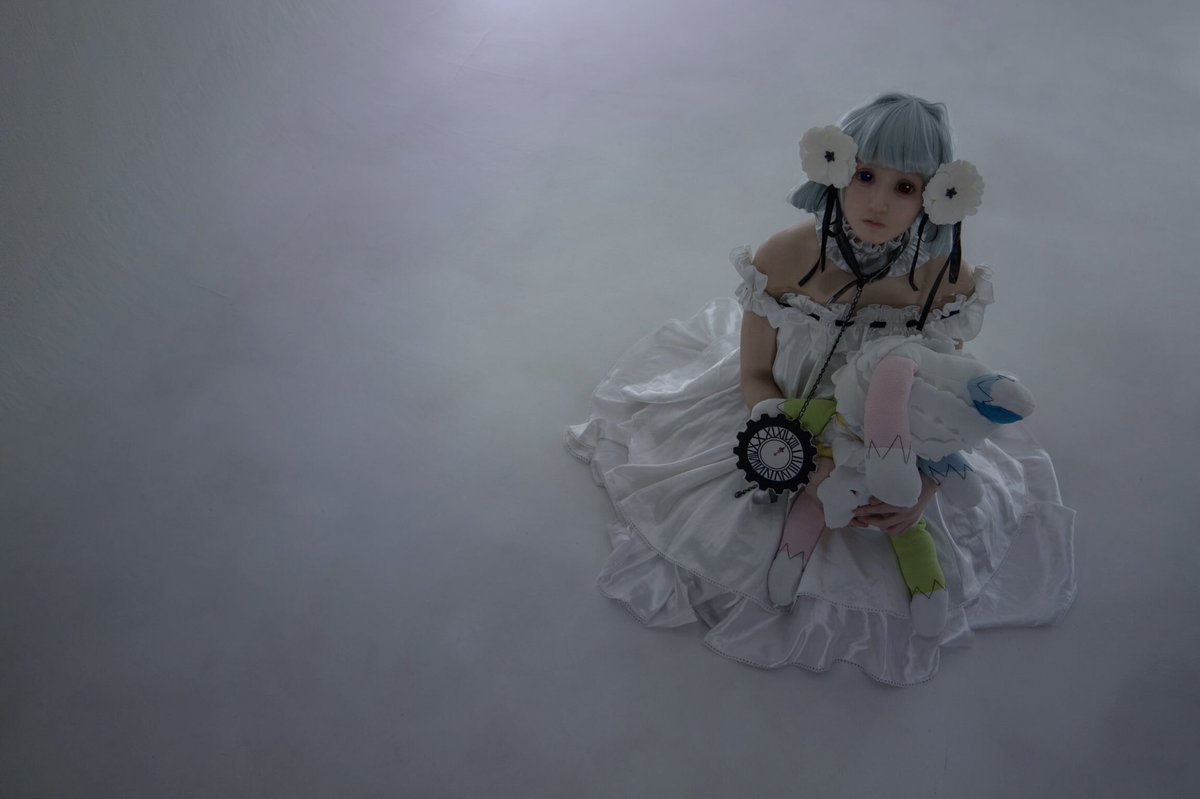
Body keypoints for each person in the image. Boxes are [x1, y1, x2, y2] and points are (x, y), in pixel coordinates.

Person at [565, 92, 1076, 686]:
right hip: (788, 413)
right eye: (865, 175)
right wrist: (804, 466)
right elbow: (756, 377)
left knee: (907, 533)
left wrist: (924, 487)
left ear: (936, 194)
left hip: (890, 433)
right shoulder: (785, 257)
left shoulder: (946, 280)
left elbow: (942, 395)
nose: (878, 202)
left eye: (905, 187)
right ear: (837, 168)